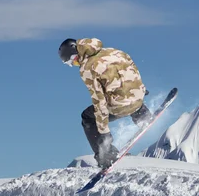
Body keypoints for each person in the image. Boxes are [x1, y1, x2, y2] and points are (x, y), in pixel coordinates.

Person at [58, 38, 152, 169]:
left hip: (120, 106)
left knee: (87, 117)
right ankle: (143, 116)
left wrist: (104, 132)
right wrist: (140, 90)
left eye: (72, 62)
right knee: (125, 96)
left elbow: (99, 101)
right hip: (138, 98)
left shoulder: (87, 68)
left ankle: (106, 155)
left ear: (77, 54)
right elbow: (132, 68)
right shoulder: (114, 51)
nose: (76, 64)